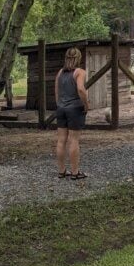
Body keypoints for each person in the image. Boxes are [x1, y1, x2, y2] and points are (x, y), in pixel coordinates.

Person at [54, 47, 89, 180]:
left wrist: (60, 104)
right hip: (75, 109)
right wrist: (86, 104)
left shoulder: (60, 73)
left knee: (61, 140)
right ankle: (75, 172)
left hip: (61, 108)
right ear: (79, 58)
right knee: (74, 140)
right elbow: (80, 89)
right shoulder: (80, 72)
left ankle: (62, 171)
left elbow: (56, 91)